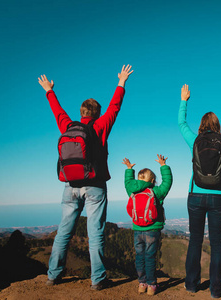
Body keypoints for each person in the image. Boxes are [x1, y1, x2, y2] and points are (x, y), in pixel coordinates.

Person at [38, 65, 134, 290]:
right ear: (97, 114)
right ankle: (98, 280)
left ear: (81, 112)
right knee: (95, 233)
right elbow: (115, 107)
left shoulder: (69, 126)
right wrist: (121, 82)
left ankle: (53, 275)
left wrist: (49, 91)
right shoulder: (101, 126)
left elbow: (58, 112)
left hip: (70, 186)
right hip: (95, 187)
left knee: (64, 231)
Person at [178, 84, 221, 298]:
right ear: (216, 125)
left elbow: (181, 123)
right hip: (218, 197)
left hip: (195, 195)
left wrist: (184, 100)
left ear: (202, 126)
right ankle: (216, 289)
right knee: (217, 243)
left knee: (195, 240)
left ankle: (191, 285)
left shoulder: (194, 140)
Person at [122, 155, 173, 296]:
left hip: (138, 229)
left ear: (138, 179)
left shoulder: (132, 191)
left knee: (139, 256)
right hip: (153, 229)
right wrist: (164, 166)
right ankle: (151, 286)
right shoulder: (156, 192)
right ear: (152, 181)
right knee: (150, 257)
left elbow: (128, 182)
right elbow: (167, 183)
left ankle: (141, 284)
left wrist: (129, 169)